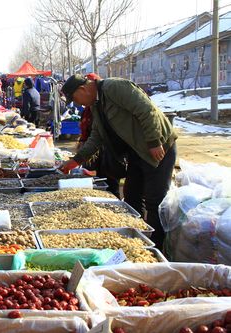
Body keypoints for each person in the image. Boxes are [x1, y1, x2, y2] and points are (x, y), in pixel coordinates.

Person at [60, 74, 177, 249]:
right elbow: (97, 136)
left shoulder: (115, 87)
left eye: (75, 99)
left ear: (82, 89)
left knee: (154, 199)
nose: (78, 104)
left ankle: (156, 246)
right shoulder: (96, 105)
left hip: (158, 148)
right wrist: (76, 160)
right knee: (131, 195)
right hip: (137, 151)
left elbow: (146, 110)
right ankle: (135, 239)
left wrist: (154, 141)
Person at [77, 73, 121, 198]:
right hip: (92, 148)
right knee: (97, 178)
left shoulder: (105, 103)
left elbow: (100, 131)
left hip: (106, 149)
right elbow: (87, 127)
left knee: (110, 179)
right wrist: (82, 140)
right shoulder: (89, 107)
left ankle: (113, 199)